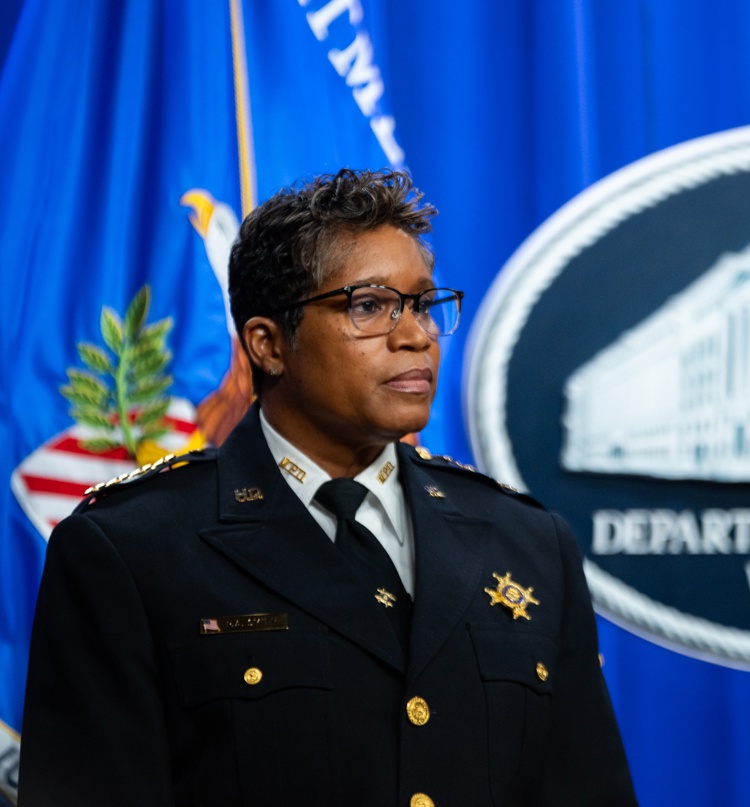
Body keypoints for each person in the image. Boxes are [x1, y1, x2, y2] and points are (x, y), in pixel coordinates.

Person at [19, 168, 637, 806]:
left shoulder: (528, 542)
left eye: (423, 304)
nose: (415, 335)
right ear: (268, 345)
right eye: (369, 306)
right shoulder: (131, 549)